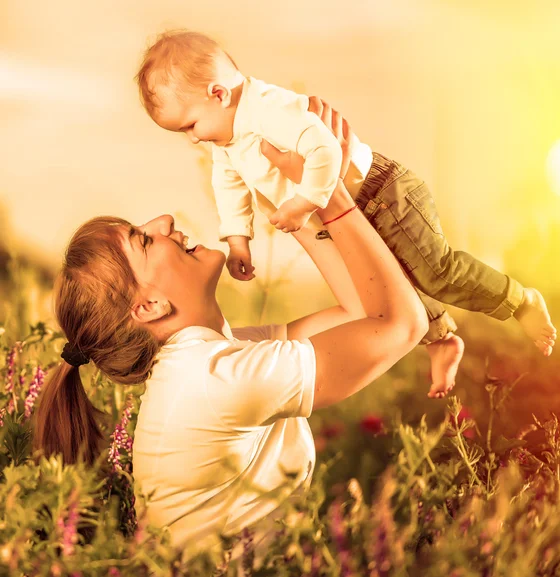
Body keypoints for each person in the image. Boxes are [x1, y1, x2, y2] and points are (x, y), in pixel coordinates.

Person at [32, 102, 428, 559]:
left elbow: (362, 309)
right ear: (149, 305)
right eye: (143, 239)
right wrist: (330, 191)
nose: (163, 221)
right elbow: (402, 323)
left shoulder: (220, 359)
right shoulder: (213, 380)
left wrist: (292, 199)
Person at [134, 29, 558, 398]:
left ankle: (519, 301)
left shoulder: (266, 109)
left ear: (218, 94)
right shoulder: (224, 141)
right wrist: (237, 240)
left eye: (189, 126)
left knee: (435, 273)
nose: (193, 140)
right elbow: (227, 188)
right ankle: (441, 338)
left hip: (382, 192)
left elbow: (322, 147)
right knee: (393, 284)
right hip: (347, 210)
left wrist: (303, 203)